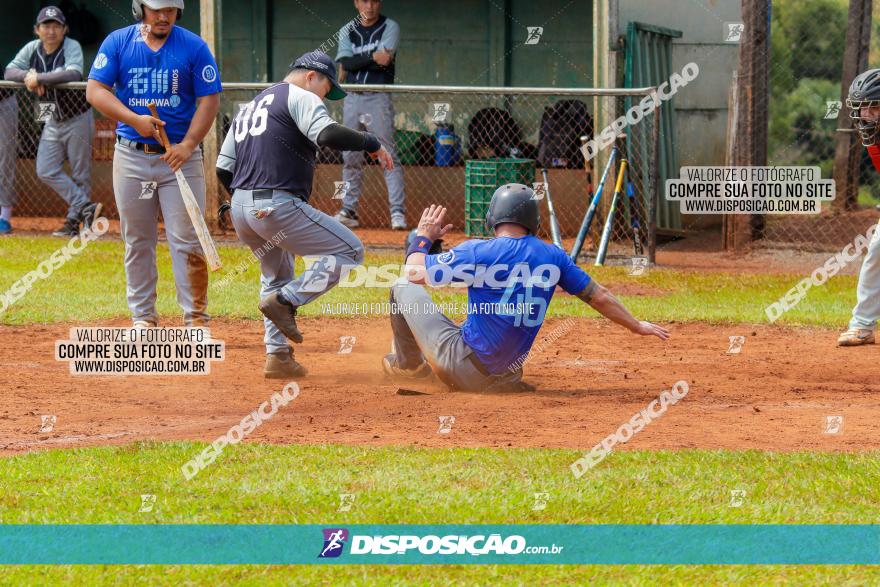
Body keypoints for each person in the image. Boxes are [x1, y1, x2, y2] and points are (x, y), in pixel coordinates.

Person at [385, 184, 670, 391]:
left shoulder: (479, 251)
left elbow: (414, 272)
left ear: (493, 217)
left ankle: (411, 370)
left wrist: (422, 238)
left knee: (401, 284)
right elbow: (599, 297)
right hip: (507, 377)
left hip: (464, 370)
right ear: (533, 221)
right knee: (474, 325)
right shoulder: (554, 255)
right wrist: (635, 325)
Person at [215, 51, 393, 379]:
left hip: (242, 208)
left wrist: (243, 203)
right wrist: (370, 141)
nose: (326, 96)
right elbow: (326, 135)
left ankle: (279, 357)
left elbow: (223, 167)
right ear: (311, 76)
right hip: (274, 205)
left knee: (275, 277)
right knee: (350, 250)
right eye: (327, 88)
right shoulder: (301, 95)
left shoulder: (252, 106)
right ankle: (288, 300)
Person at [86, 0, 221, 328]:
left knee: (187, 241)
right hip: (131, 156)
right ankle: (143, 320)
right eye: (156, 9)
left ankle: (196, 321)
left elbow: (210, 98)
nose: (163, 17)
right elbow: (95, 90)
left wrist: (189, 144)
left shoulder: (193, 46)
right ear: (140, 9)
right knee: (137, 240)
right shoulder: (119, 42)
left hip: (179, 159)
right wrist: (134, 119)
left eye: (171, 10)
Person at [4, 6, 100, 237]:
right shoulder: (32, 48)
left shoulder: (71, 46)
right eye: (46, 26)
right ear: (37, 30)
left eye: (56, 25)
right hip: (54, 119)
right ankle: (86, 207)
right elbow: (9, 72)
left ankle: (75, 224)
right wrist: (28, 77)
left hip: (78, 116)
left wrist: (39, 78)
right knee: (45, 169)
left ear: (65, 29)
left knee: (80, 173)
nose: (51, 30)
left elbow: (73, 74)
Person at [333, 0, 407, 231]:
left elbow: (383, 61)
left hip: (378, 97)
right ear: (356, 3)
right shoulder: (347, 29)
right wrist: (372, 58)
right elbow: (346, 63)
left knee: (387, 154)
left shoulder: (390, 26)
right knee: (350, 157)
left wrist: (359, 63)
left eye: (374, 0)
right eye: (364, 0)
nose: (370, 5)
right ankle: (349, 211)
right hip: (352, 97)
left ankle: (397, 212)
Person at [838, 68, 880, 346]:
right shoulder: (874, 138)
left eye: (873, 107)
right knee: (877, 249)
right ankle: (862, 324)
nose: (865, 114)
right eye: (862, 107)